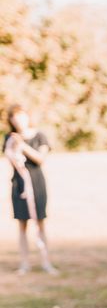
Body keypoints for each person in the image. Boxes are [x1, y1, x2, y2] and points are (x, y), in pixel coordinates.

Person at [2, 105, 57, 275]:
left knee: (40, 223)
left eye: (20, 116)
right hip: (19, 185)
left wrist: (23, 146)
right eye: (14, 117)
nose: (17, 120)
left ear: (27, 116)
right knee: (22, 225)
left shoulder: (40, 136)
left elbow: (40, 159)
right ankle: (24, 264)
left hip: (37, 184)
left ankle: (46, 262)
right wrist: (13, 148)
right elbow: (10, 159)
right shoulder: (9, 138)